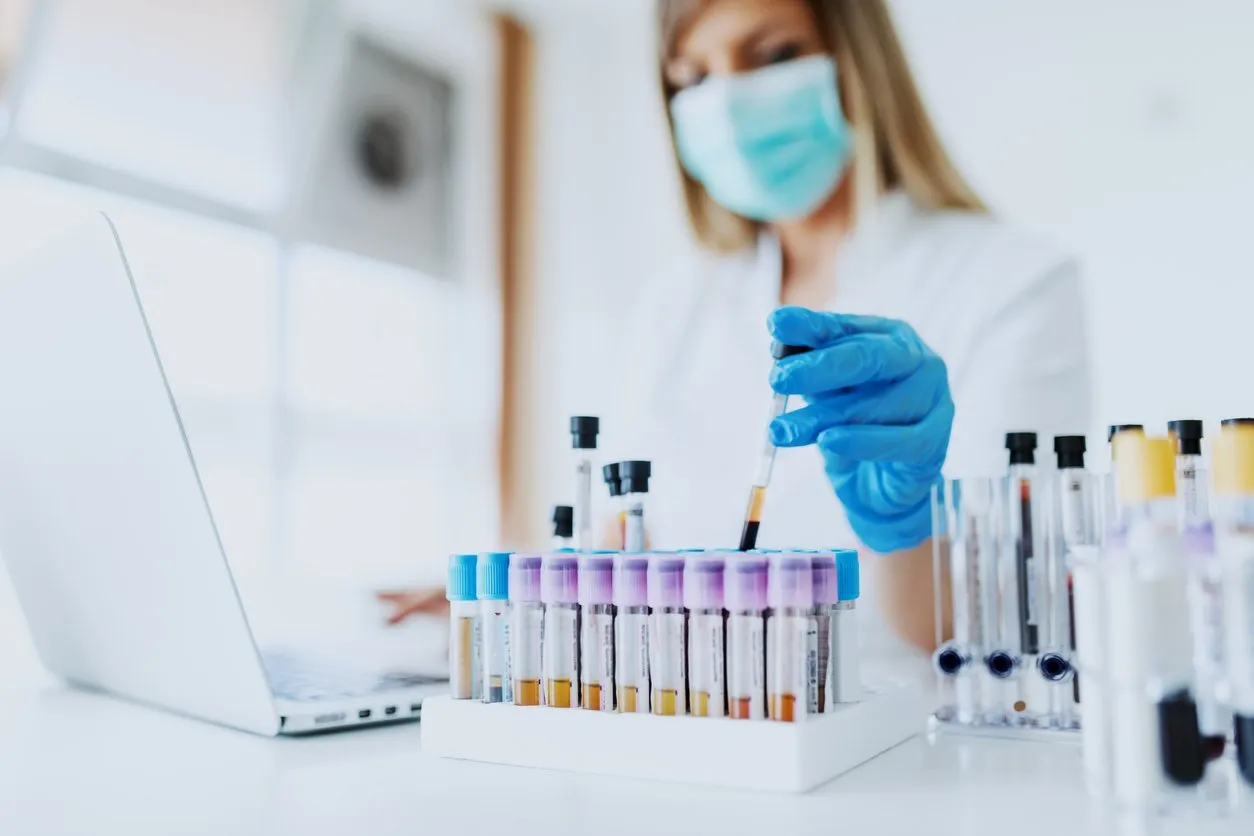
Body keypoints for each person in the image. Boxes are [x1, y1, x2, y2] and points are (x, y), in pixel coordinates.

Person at [381, 0, 1091, 653]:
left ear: (858, 59)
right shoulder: (678, 304)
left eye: (774, 55)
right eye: (693, 76)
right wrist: (507, 600)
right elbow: (626, 540)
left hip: (891, 747)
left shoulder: (1012, 282)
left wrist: (901, 523)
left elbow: (981, 620)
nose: (727, 102)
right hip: (682, 717)